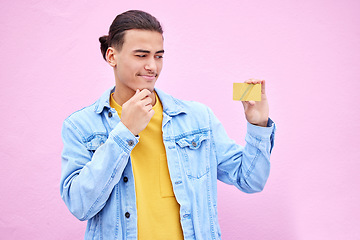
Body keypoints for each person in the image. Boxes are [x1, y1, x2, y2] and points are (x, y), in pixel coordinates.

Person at [60, 10, 276, 240]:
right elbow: (80, 205)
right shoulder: (80, 126)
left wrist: (258, 124)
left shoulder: (197, 118)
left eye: (159, 56)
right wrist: (125, 132)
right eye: (141, 55)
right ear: (112, 56)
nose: (152, 66)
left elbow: (250, 180)